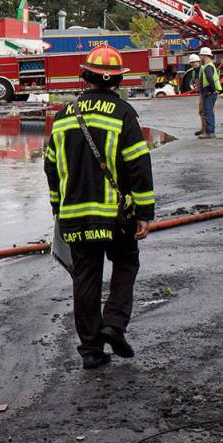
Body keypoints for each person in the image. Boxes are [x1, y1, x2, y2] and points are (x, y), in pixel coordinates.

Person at [44, 45, 155, 370]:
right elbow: (138, 164)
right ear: (117, 81)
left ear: (84, 77)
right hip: (116, 216)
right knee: (126, 264)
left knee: (86, 277)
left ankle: (91, 348)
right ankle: (114, 324)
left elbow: (51, 167)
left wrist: (57, 207)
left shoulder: (63, 116)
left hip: (75, 216)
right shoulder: (123, 114)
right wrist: (144, 213)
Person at [197, 47, 222, 139]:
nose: (200, 57)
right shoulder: (209, 65)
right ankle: (210, 131)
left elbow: (210, 79)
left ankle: (209, 132)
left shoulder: (208, 67)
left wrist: (212, 89)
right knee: (209, 112)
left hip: (209, 93)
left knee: (208, 112)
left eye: (201, 55)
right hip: (210, 92)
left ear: (205, 56)